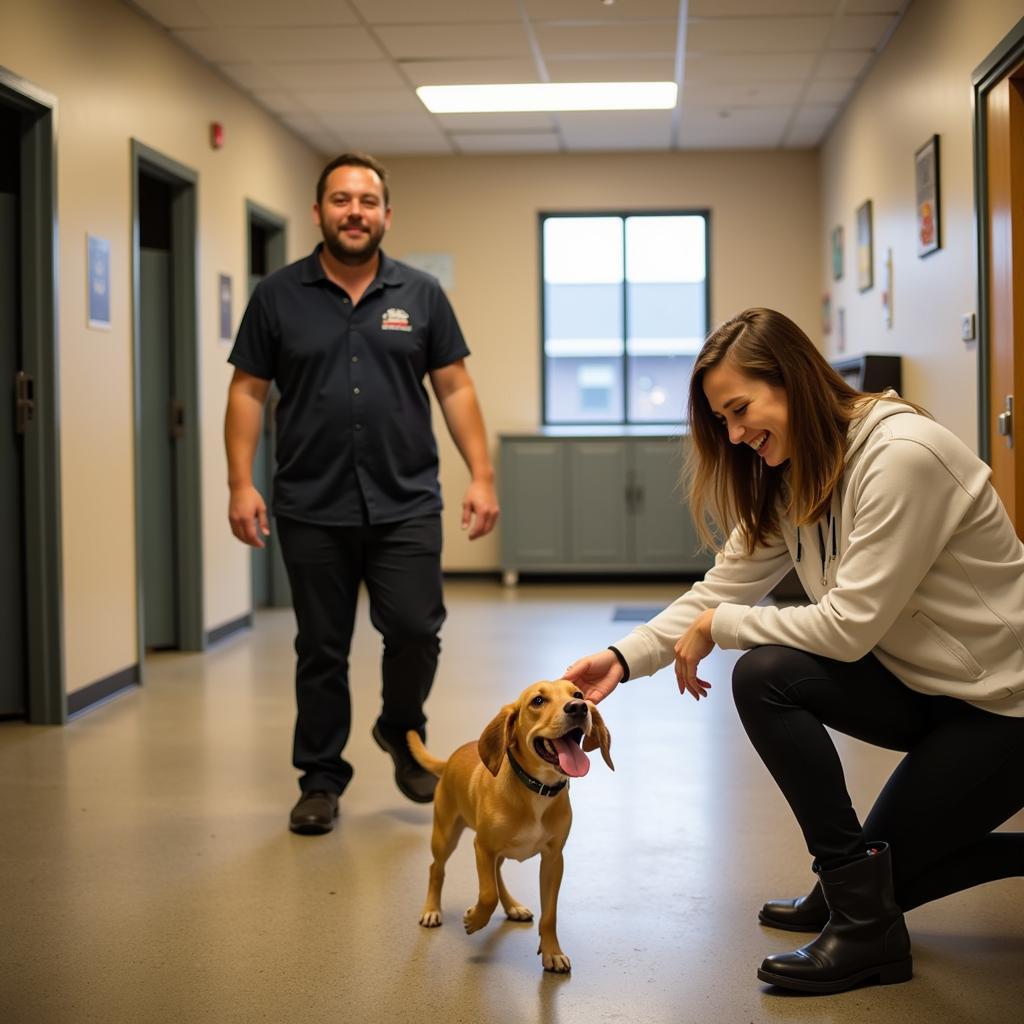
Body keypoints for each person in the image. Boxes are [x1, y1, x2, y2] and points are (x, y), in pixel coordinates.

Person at [565, 307, 1024, 994]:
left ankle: (864, 924)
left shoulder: (902, 458)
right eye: (722, 420)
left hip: (1005, 708)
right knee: (768, 675)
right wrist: (623, 657)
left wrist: (724, 624)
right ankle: (850, 893)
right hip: (930, 689)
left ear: (793, 381)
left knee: (897, 879)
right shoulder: (800, 473)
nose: (735, 433)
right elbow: (720, 587)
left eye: (740, 408)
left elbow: (847, 628)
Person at [225, 153, 499, 836]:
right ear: (318, 212)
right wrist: (239, 483)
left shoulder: (422, 294)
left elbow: (455, 386)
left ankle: (399, 729)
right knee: (321, 646)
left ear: (385, 214)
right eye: (341, 200)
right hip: (310, 504)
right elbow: (247, 390)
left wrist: (482, 473)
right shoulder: (278, 296)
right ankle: (319, 778)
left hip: (404, 499)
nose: (355, 212)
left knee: (413, 628)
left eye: (368, 201)